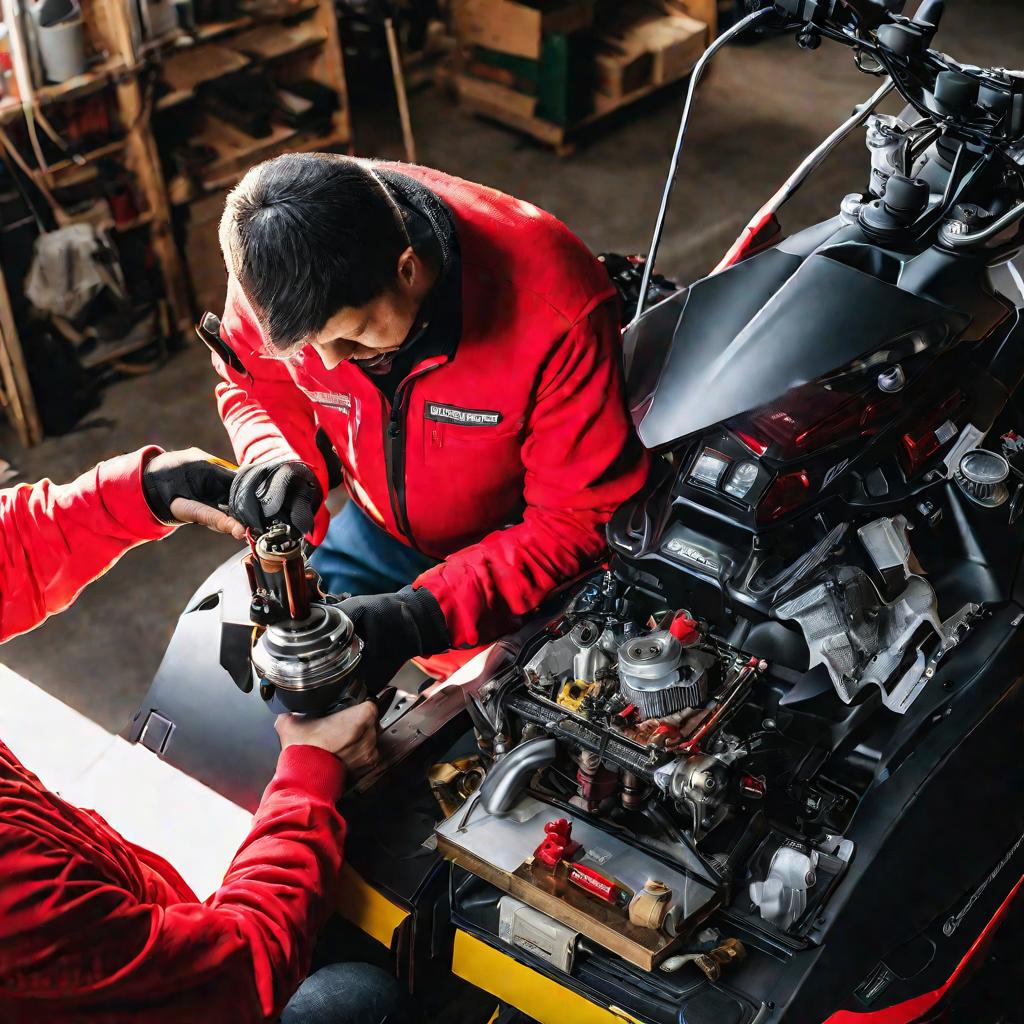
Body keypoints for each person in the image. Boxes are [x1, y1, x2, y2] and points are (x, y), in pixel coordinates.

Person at [216, 154, 650, 693]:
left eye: (352, 335)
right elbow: (254, 382)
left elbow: (571, 518)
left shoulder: (552, 304)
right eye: (308, 347)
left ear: (407, 269)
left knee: (488, 724)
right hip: (375, 531)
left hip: (518, 554)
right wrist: (273, 456)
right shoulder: (272, 269)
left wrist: (422, 615)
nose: (329, 364)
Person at [0, 446, 405, 1023]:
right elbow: (234, 970)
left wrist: (133, 493)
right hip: (177, 986)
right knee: (361, 999)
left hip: (122, 913)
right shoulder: (19, 900)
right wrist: (309, 777)